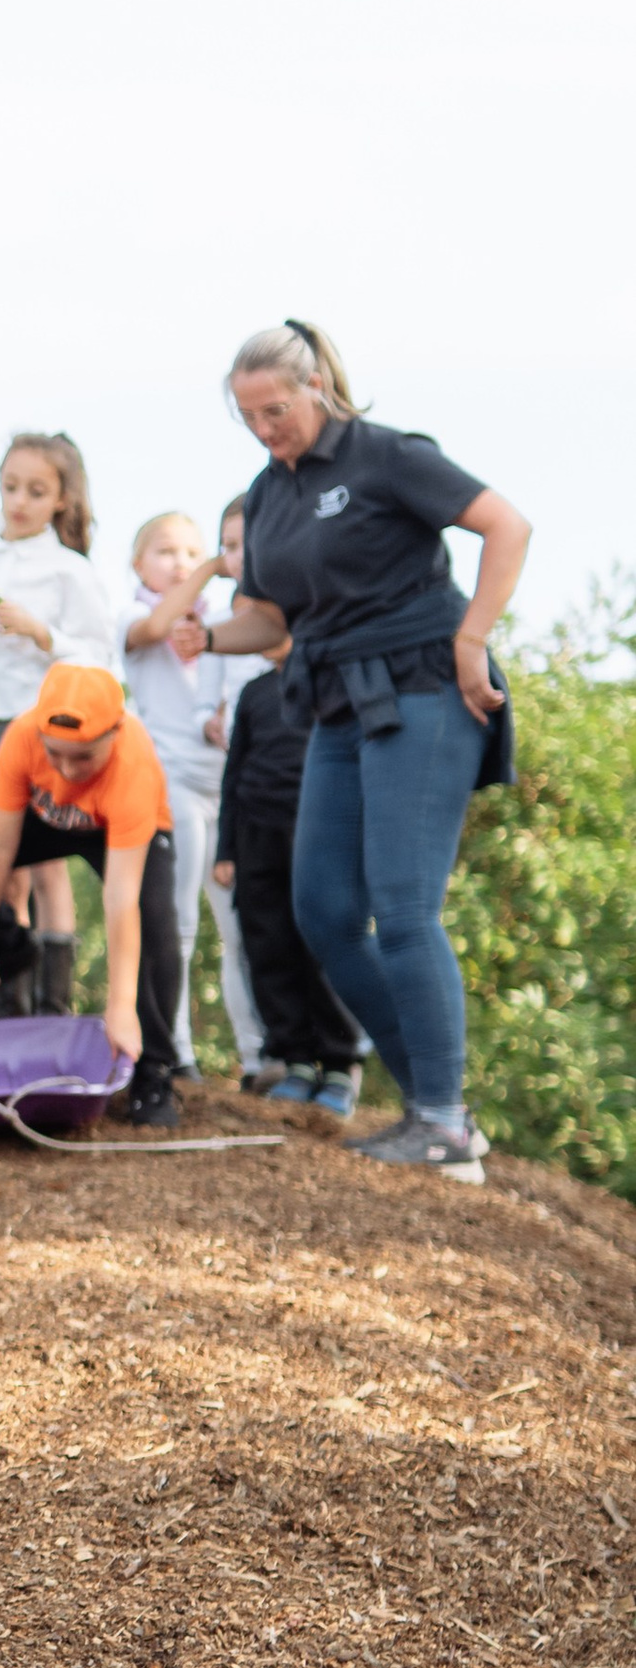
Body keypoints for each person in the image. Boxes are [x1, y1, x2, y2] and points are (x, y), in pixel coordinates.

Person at [193, 321, 530, 1184]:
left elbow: (506, 525)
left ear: (317, 388)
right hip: (335, 705)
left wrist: (472, 637)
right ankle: (435, 1109)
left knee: (404, 907)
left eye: (277, 409)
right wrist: (204, 636)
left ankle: (444, 1122)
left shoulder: (385, 456)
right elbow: (271, 618)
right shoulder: (267, 498)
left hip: (424, 687)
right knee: (323, 911)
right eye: (249, 417)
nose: (267, 428)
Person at [0, 660, 185, 1127]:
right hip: (49, 819)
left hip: (118, 829)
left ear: (114, 735)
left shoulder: (132, 763)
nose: (66, 768)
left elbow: (120, 898)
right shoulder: (22, 735)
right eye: (55, 753)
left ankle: (154, 1070)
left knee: (154, 918)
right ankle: (10, 948)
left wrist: (119, 1007)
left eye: (83, 757)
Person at [0, 434, 120, 1009]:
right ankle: (7, 992)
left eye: (36, 492)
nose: (18, 502)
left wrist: (42, 633)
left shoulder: (69, 570)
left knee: (45, 866)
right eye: (10, 487)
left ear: (61, 499)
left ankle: (54, 1001)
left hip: (44, 732)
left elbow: (101, 661)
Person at [212, 643, 362, 1119]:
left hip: (317, 829)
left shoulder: (336, 679)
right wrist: (225, 849)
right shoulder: (253, 692)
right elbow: (233, 773)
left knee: (320, 946)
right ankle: (296, 1059)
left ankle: (340, 1065)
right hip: (256, 833)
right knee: (266, 947)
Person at [120, 511, 231, 1075]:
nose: (181, 563)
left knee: (238, 924)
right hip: (172, 784)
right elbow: (159, 624)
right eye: (165, 552)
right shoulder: (136, 614)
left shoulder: (227, 622)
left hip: (228, 786)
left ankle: (260, 1054)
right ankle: (178, 1049)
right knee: (178, 921)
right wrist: (213, 565)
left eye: (192, 552)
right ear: (137, 564)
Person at [204, 496, 276, 1084]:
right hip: (242, 802)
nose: (237, 557)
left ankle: (325, 1054)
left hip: (297, 798)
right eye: (226, 546)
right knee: (246, 935)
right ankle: (261, 1056)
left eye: (244, 542)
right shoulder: (223, 622)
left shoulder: (307, 609)